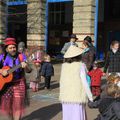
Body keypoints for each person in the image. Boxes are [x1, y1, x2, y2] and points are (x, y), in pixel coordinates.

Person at [0, 38, 32, 120]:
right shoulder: (2, 57)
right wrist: (1, 71)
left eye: (14, 47)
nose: (13, 49)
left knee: (18, 105)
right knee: (8, 106)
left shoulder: (21, 56)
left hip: (19, 83)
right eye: (10, 48)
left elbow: (29, 71)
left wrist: (26, 66)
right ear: (6, 49)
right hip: (6, 85)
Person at [59, 46, 93, 120]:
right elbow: (85, 82)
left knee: (67, 116)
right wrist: (90, 96)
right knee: (77, 116)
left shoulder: (64, 66)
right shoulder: (81, 66)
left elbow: (61, 82)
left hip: (66, 96)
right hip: (77, 95)